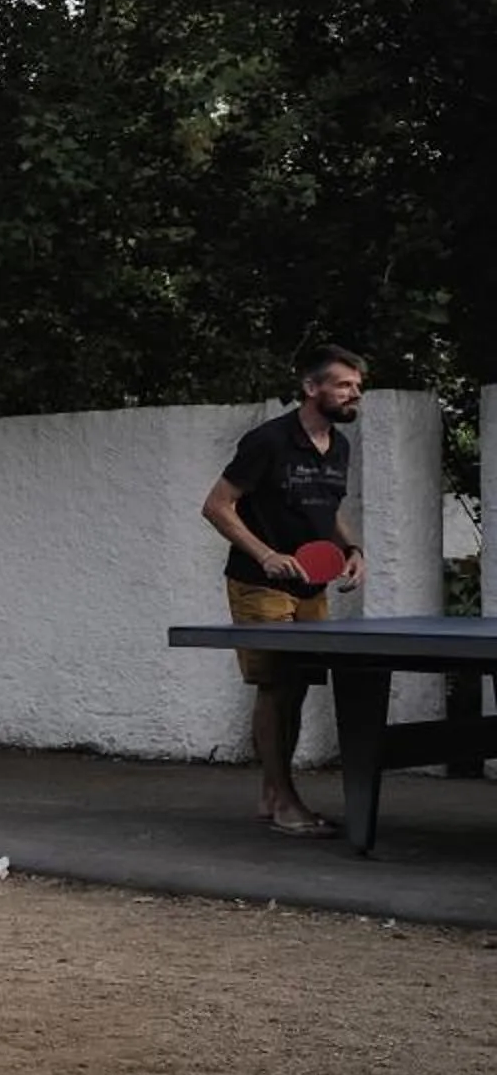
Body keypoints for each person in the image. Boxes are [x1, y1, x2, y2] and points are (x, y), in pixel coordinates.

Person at [199, 345, 367, 836]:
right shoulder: (267, 442)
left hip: (311, 585)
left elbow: (327, 507)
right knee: (275, 687)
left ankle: (273, 795)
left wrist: (352, 547)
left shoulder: (339, 447)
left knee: (295, 689)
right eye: (342, 384)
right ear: (311, 388)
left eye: (357, 386)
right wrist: (265, 554)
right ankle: (285, 800)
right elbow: (217, 506)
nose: (353, 393)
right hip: (259, 585)